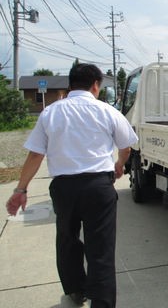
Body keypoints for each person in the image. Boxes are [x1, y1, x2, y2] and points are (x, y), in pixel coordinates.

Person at [6, 63, 138, 308]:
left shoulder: (51, 112)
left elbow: (35, 155)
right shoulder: (107, 111)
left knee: (67, 240)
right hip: (99, 187)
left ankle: (75, 292)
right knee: (101, 249)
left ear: (70, 84)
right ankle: (102, 303)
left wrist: (20, 189)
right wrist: (120, 164)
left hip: (64, 188)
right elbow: (127, 146)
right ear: (96, 85)